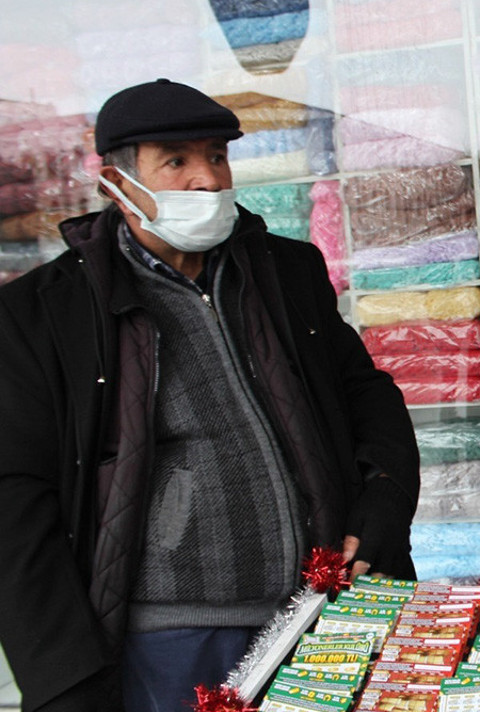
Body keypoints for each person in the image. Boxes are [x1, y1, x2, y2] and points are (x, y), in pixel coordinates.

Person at [0, 79, 419, 711]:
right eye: (177, 161)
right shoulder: (40, 315)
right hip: (167, 639)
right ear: (115, 182)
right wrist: (64, 676)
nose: (208, 180)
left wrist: (384, 499)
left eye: (217, 157)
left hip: (318, 613)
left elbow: (366, 395)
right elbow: (15, 498)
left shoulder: (286, 271)